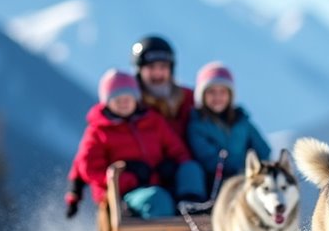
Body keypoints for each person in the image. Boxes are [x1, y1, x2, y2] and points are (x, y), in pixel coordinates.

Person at [65, 69, 206, 220]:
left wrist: (172, 166)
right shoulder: (99, 131)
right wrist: (128, 179)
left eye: (128, 98)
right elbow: (89, 168)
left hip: (159, 182)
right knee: (157, 199)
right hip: (126, 193)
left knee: (191, 169)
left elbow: (177, 149)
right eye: (117, 100)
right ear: (107, 102)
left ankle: (193, 211)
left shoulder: (152, 121)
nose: (124, 104)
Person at [186, 61, 271, 199]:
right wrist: (239, 168)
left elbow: (263, 150)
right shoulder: (198, 125)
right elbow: (208, 158)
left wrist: (260, 170)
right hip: (214, 183)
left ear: (230, 95)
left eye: (222, 92)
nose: (217, 97)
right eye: (211, 92)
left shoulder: (242, 121)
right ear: (202, 95)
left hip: (246, 179)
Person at [131, 35, 194, 138]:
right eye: (151, 67)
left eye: (163, 67)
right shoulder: (132, 104)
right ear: (139, 70)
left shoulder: (189, 98)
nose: (157, 73)